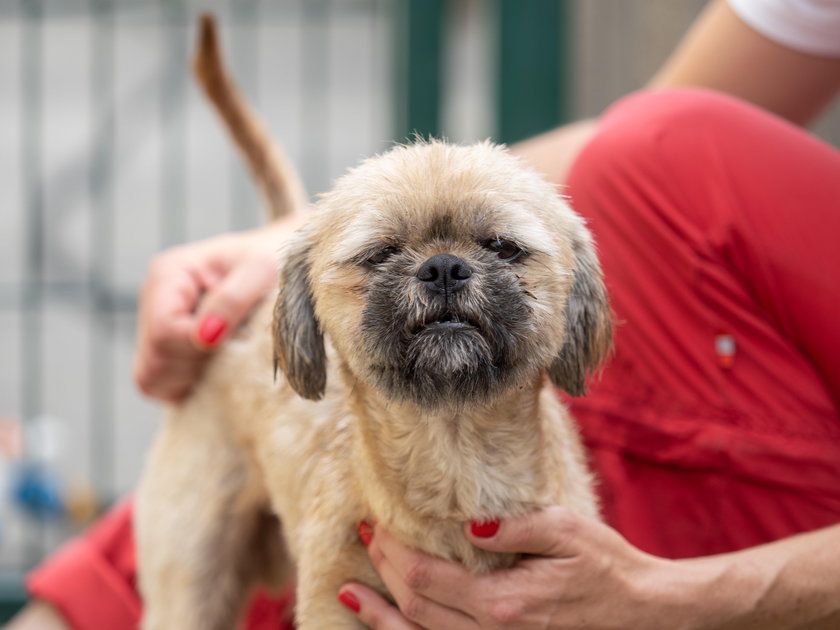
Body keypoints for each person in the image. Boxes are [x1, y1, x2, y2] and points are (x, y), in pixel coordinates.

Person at [9, 0, 840, 628]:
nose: (445, 276)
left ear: (579, 300)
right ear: (304, 323)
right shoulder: (289, 334)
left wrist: (662, 597)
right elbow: (643, 145)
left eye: (503, 252)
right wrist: (281, 241)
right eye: (379, 260)